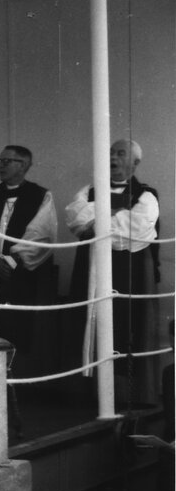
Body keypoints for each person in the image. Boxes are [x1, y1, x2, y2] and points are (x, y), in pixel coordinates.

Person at [65, 139, 161, 403]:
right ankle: (87, 393)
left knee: (125, 323)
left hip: (127, 267)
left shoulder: (146, 195)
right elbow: (75, 216)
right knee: (85, 319)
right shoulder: (89, 190)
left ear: (135, 163)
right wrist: (111, 218)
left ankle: (125, 394)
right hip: (89, 264)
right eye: (111, 153)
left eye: (121, 153)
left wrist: (98, 220)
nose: (114, 157)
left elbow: (137, 228)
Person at [0, 145, 57, 357]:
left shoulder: (41, 196)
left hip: (22, 275)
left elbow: (41, 233)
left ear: (24, 165)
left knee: (21, 333)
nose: (1, 166)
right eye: (0, 161)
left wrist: (10, 261)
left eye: (7, 161)